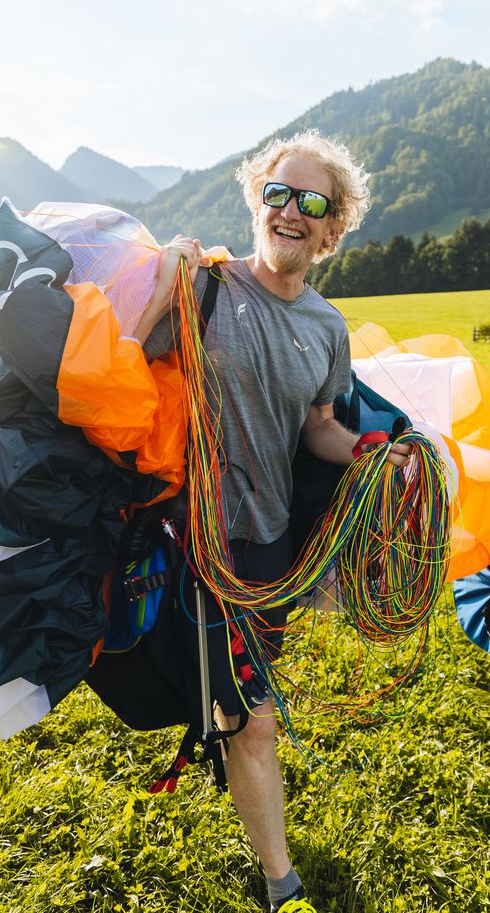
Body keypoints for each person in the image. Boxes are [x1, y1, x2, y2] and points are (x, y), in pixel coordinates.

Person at [131, 131, 407, 913]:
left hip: (270, 547)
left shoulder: (326, 328)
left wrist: (366, 452)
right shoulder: (208, 288)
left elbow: (316, 424)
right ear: (258, 203)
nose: (290, 210)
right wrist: (164, 285)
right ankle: (282, 885)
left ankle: (228, 739)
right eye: (278, 194)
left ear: (331, 230)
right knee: (253, 720)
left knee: (243, 702)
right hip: (192, 542)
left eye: (312, 202)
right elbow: (129, 364)